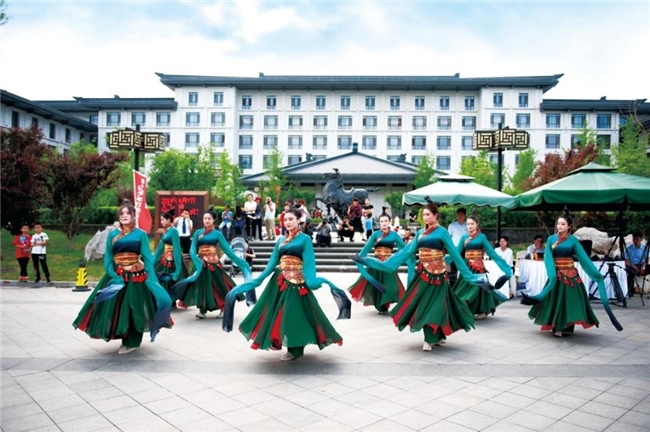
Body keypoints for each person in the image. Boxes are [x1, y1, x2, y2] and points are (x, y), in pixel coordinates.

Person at [223, 208, 350, 361]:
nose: (287, 222)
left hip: (297, 282)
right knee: (278, 313)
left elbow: (309, 262)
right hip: (279, 281)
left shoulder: (305, 239)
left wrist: (312, 281)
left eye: (291, 219)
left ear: (299, 220)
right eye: (285, 219)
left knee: (293, 314)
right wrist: (256, 280)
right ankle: (286, 344)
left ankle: (294, 350)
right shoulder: (280, 240)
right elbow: (271, 264)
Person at [352, 202, 481, 350]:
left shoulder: (442, 232)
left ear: (436, 215)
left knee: (436, 305)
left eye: (428, 214)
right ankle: (436, 335)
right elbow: (407, 252)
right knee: (424, 304)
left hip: (438, 277)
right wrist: (376, 261)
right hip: (423, 275)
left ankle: (430, 339)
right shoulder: (420, 234)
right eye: (424, 215)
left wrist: (470, 276)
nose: (425, 217)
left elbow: (455, 254)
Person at [73, 201, 173, 354]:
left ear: (133, 216)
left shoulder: (140, 234)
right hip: (117, 276)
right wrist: (114, 276)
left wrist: (152, 280)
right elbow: (108, 258)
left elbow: (147, 258)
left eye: (128, 213)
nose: (124, 216)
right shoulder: (113, 234)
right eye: (122, 213)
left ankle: (132, 341)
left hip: (137, 277)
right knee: (115, 307)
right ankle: (123, 335)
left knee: (135, 307)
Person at [523, 212, 623, 337]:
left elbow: (583, 258)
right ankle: (557, 327)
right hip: (557, 275)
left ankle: (568, 326)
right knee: (558, 301)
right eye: (558, 224)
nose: (559, 226)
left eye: (563, 224)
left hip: (571, 275)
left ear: (569, 226)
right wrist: (552, 272)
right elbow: (548, 256)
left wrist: (596, 274)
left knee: (571, 301)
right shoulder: (551, 239)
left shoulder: (573, 240)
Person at [172, 207, 253, 319]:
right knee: (201, 286)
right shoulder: (198, 233)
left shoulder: (217, 234)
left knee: (219, 286)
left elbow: (227, 250)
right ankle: (202, 310)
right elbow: (193, 248)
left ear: (214, 220)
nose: (207, 220)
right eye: (205, 218)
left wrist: (240, 262)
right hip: (200, 264)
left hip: (213, 264)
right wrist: (196, 260)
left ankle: (223, 308)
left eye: (209, 218)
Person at [348, 213, 414, 313]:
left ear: (390, 222)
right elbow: (366, 249)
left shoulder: (394, 235)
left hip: (388, 264)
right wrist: (360, 258)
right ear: (379, 223)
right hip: (376, 264)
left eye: (386, 221)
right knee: (376, 286)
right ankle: (381, 306)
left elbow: (404, 249)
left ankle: (386, 303)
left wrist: (412, 252)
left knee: (393, 287)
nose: (384, 223)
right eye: (382, 221)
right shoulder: (375, 235)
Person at [454, 216, 512, 319]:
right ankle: (464, 309)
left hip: (478, 266)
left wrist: (504, 265)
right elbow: (456, 252)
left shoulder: (482, 237)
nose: (470, 226)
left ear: (477, 224)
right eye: (468, 224)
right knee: (465, 287)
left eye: (472, 224)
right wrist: (445, 259)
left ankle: (483, 311)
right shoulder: (464, 237)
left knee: (479, 286)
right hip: (467, 266)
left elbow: (491, 252)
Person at [153, 209, 188, 306]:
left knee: (171, 281)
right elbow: (160, 249)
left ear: (169, 220)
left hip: (172, 262)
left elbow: (177, 249)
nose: (161, 222)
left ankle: (170, 301)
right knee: (164, 280)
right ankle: (167, 301)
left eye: (163, 220)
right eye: (161, 220)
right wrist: (151, 262)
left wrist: (178, 268)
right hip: (165, 260)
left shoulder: (174, 231)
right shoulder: (167, 231)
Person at [625, 231, 650, 296]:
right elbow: (627, 261)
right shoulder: (629, 248)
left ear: (641, 239)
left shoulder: (645, 248)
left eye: (637, 239)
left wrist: (643, 267)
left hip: (641, 265)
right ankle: (630, 291)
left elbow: (646, 260)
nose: (635, 241)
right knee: (630, 272)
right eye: (634, 239)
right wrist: (635, 267)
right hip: (632, 265)